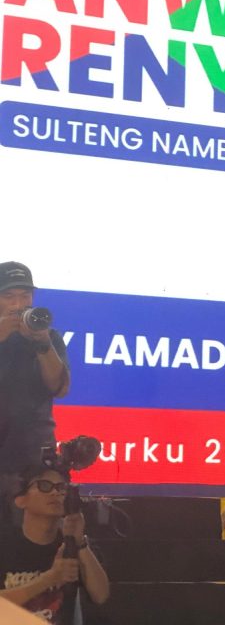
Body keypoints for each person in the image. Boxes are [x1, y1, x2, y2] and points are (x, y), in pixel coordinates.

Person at [0, 262, 71, 527]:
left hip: (32, 460)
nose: (18, 304)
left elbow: (59, 388)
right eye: (9, 296)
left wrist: (43, 344)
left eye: (25, 295)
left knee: (32, 539)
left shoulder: (48, 337)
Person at [0, 463, 110, 622]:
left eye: (61, 488)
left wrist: (80, 543)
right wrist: (49, 579)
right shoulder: (5, 543)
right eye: (44, 486)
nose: (55, 493)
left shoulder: (72, 544)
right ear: (21, 500)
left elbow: (100, 595)